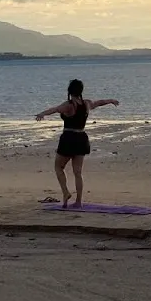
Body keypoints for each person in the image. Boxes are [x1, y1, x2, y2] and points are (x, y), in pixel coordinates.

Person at [35, 79, 119, 208]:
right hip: (81, 138)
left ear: (70, 91)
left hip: (68, 138)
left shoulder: (69, 105)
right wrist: (111, 100)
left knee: (58, 167)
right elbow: (99, 102)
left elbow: (55, 109)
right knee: (78, 172)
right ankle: (78, 202)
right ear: (81, 91)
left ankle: (65, 192)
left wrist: (42, 114)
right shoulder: (86, 104)